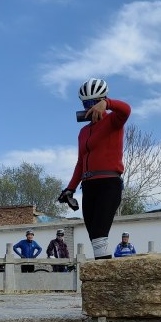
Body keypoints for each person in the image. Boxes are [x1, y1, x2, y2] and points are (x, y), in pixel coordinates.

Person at [58, 78, 131, 260]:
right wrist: (70, 189)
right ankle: (104, 280)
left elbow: (126, 109)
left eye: (94, 101)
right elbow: (80, 162)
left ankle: (106, 281)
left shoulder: (114, 121)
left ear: (103, 100)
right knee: (95, 238)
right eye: (86, 103)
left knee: (99, 234)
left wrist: (107, 104)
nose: (91, 106)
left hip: (109, 183)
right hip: (88, 186)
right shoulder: (83, 132)